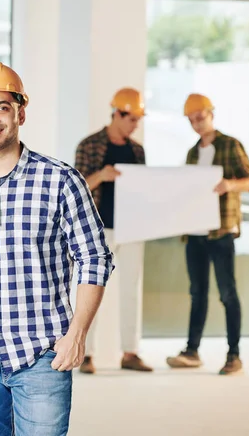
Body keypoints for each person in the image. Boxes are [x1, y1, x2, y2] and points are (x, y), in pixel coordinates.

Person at [0, 59, 114, 436]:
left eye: (2, 107)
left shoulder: (61, 180)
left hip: (42, 353)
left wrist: (77, 333)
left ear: (20, 113)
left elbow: (95, 258)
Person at [167, 93, 249, 376]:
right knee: (197, 293)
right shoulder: (193, 152)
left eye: (199, 117)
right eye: (191, 120)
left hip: (221, 232)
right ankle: (192, 351)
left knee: (228, 292)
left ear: (211, 113)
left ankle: (234, 355)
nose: (196, 123)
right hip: (195, 233)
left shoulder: (230, 145)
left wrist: (229, 184)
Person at [75, 88, 153, 374]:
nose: (136, 125)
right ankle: (85, 354)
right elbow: (77, 186)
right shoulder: (90, 145)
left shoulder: (136, 150)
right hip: (99, 230)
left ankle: (130, 353)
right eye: (132, 119)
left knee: (132, 290)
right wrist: (102, 176)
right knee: (91, 289)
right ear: (118, 114)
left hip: (132, 227)